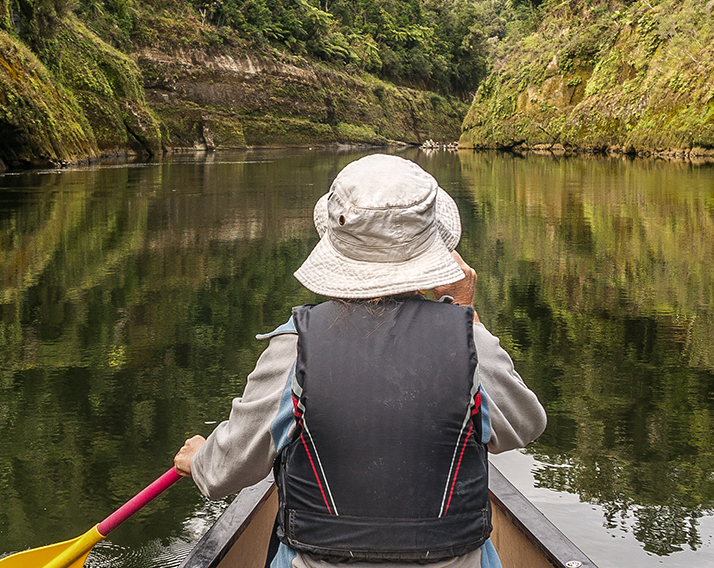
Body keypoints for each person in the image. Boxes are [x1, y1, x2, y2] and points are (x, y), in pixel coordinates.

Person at [173, 154, 547, 568]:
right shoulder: (468, 338)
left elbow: (227, 472)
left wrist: (201, 460)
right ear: (435, 247)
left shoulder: (294, 347)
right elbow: (525, 425)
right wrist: (463, 314)